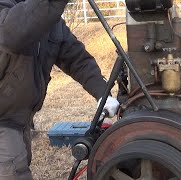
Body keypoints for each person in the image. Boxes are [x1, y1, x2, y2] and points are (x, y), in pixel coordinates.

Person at [0, 0, 120, 179]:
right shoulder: (11, 10)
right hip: (3, 120)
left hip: (18, 119)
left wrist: (102, 94)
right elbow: (14, 35)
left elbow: (76, 58)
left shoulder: (48, 19)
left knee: (19, 164)